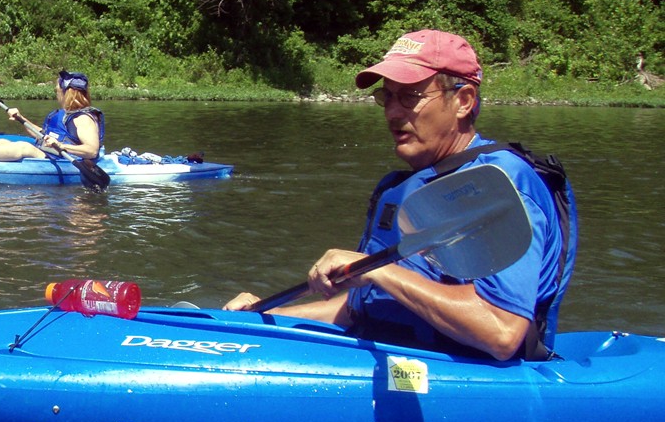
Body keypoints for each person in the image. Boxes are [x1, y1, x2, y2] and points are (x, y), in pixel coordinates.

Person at [224, 30, 577, 361]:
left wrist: (383, 272)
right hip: (392, 354)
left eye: (410, 97)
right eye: (387, 97)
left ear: (463, 100)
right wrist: (265, 317)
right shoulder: (402, 188)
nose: (393, 112)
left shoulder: (498, 183)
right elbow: (361, 309)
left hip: (467, 379)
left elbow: (501, 332)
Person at [0, 71, 103, 162]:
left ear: (67, 93)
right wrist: (21, 119)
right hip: (51, 153)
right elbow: (43, 135)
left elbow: (92, 151)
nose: (56, 94)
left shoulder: (83, 119)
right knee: (3, 141)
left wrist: (62, 146)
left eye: (57, 91)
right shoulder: (66, 115)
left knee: (24, 147)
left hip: (65, 160)